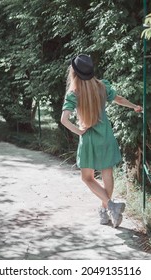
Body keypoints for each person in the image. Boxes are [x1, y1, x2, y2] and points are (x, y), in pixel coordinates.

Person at [61, 54, 142, 228]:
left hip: (89, 138)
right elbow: (119, 99)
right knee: (107, 173)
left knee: (87, 177)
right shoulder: (102, 86)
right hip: (106, 136)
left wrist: (79, 131)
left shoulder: (74, 93)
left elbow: (64, 120)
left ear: (74, 73)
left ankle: (109, 206)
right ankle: (106, 210)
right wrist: (134, 106)